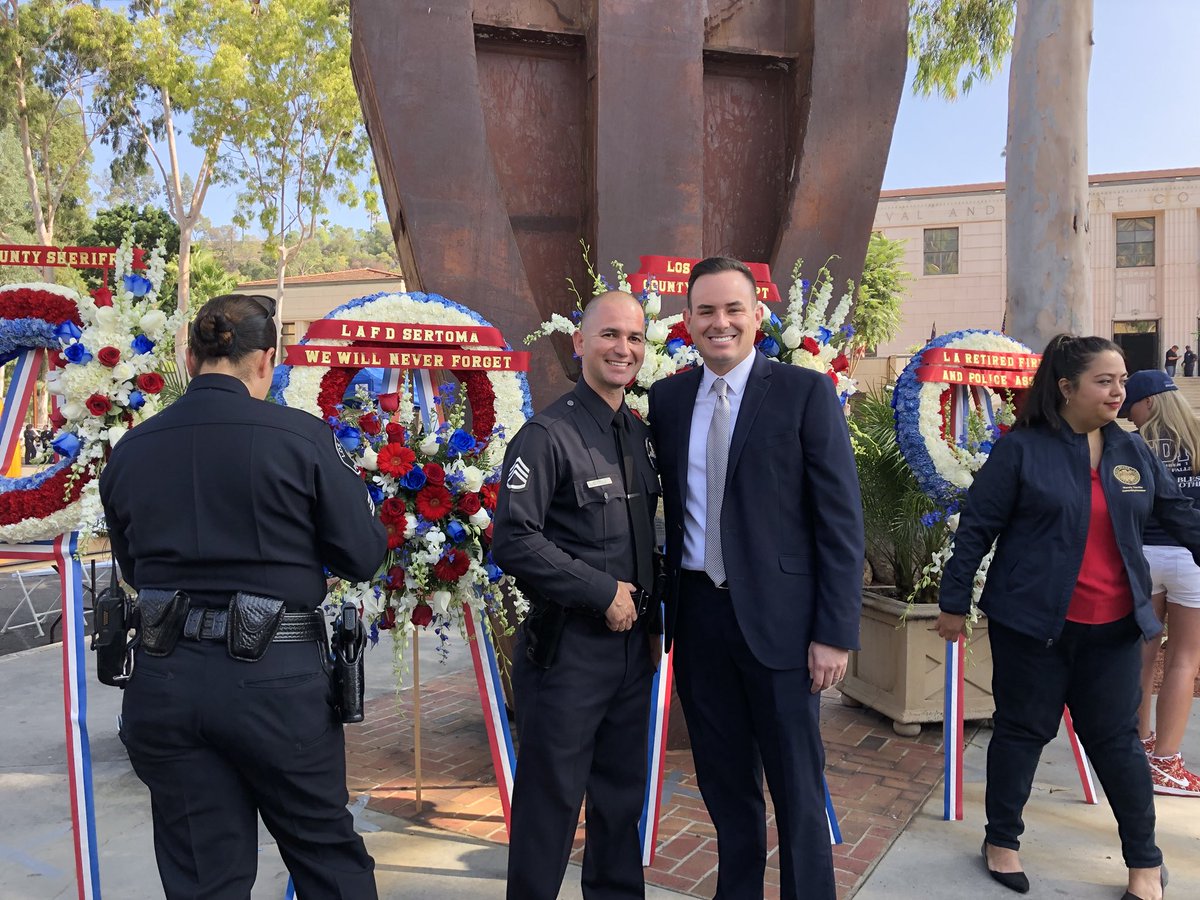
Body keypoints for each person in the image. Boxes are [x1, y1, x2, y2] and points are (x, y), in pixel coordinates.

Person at [99, 294, 387, 899]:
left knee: (205, 879)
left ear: (189, 356)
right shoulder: (300, 437)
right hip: (275, 682)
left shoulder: (131, 450)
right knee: (328, 864)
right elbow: (362, 554)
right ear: (267, 360)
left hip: (166, 677)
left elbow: (133, 567)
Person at [936, 335, 1200, 900]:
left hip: (1114, 630)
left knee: (1118, 744)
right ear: (1066, 387)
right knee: (1021, 732)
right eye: (1105, 380)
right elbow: (977, 529)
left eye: (1123, 380)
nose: (1119, 391)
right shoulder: (1023, 449)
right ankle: (1001, 842)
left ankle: (1145, 865)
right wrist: (953, 604)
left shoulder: (1132, 451)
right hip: (1032, 627)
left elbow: (1180, 515)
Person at [647, 257, 864, 900]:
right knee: (724, 783)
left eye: (733, 309)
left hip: (784, 626)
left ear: (757, 316)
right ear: (686, 322)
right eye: (706, 311)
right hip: (700, 618)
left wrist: (834, 632)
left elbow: (840, 522)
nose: (721, 323)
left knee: (798, 787)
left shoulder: (804, 392)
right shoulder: (668, 398)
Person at [492, 291, 661, 900]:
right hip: (568, 657)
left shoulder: (638, 436)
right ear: (579, 344)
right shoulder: (547, 435)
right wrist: (600, 590)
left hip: (632, 655)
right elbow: (513, 540)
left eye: (635, 338)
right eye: (610, 335)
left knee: (620, 806)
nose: (624, 348)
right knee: (550, 811)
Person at [1122, 370, 1200, 797]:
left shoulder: (1132, 445)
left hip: (1143, 557)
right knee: (1184, 661)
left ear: (1149, 402)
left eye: (1132, 405)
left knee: (1141, 656)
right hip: (1191, 556)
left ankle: (1136, 747)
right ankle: (1166, 763)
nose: (1129, 414)